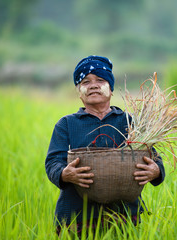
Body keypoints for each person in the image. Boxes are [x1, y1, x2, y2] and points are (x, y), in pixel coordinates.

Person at [45, 55, 165, 235]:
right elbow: (53, 161)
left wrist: (156, 171)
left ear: (111, 89)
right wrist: (64, 174)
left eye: (100, 80)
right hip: (77, 215)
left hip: (124, 213)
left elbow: (154, 158)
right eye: (85, 82)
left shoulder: (130, 122)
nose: (93, 85)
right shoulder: (67, 124)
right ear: (79, 92)